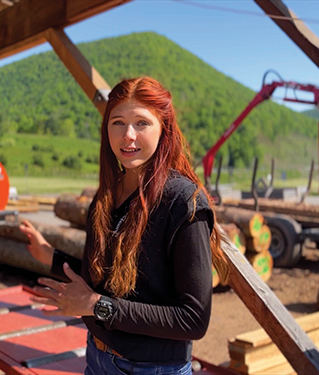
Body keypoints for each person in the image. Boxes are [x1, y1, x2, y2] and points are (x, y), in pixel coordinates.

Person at [19, 76, 229, 375]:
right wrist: (51, 257)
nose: (128, 135)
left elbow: (193, 320)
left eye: (141, 123)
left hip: (152, 369)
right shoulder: (106, 197)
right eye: (118, 122)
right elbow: (109, 282)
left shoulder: (183, 204)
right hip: (98, 356)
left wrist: (96, 306)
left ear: (163, 129)